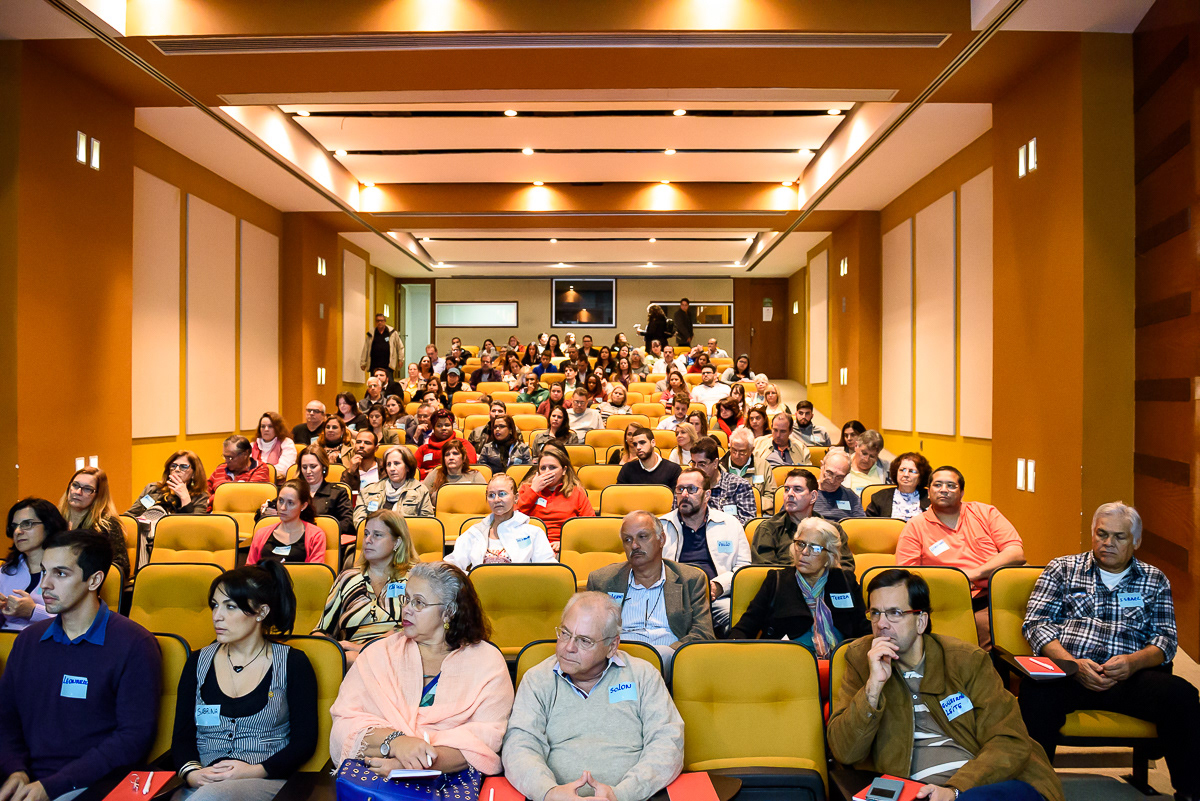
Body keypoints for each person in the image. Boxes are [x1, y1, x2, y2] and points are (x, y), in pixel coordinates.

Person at [827, 569, 1064, 801]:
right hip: (919, 793)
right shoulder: (862, 660)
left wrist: (955, 791)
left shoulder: (965, 660)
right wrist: (873, 688)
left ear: (921, 621)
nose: (881, 624)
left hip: (987, 784)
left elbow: (1008, 740)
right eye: (875, 613)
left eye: (895, 613)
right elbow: (845, 752)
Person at [1018, 502, 1200, 800]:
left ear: (1136, 541)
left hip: (1130, 677)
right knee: (1034, 692)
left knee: (1183, 696)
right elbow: (1036, 625)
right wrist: (1072, 664)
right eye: (1101, 534)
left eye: (1119, 536)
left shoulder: (1154, 579)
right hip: (1070, 673)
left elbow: (1166, 639)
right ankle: (1032, 789)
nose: (1108, 543)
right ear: (1092, 534)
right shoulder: (1062, 569)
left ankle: (1191, 793)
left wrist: (1133, 662)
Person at [0, 530, 162, 801]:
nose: (44, 585)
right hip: (24, 779)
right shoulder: (28, 640)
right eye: (44, 571)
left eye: (60, 574)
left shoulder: (135, 644)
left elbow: (133, 738)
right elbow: (6, 718)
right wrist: (15, 770)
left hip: (89, 784)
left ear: (94, 580)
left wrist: (52, 787)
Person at [328, 562, 514, 777]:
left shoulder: (487, 663)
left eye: (418, 602)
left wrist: (411, 765)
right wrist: (396, 742)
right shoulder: (378, 654)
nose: (406, 609)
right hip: (376, 777)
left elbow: (485, 739)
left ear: (449, 612)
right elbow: (344, 724)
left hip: (451, 782)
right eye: (406, 599)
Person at [502, 592, 684, 801]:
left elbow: (668, 742)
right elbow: (520, 746)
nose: (568, 647)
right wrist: (549, 793)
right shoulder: (537, 680)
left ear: (612, 646)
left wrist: (622, 794)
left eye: (584, 641)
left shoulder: (643, 675)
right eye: (565, 633)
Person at [172, 561, 317, 801]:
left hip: (265, 782)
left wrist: (254, 770)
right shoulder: (198, 662)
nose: (217, 616)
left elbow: (304, 742)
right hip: (202, 784)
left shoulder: (293, 663)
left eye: (230, 607)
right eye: (215, 605)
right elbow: (182, 736)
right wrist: (193, 774)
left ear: (261, 612)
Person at [895, 466, 1024, 649]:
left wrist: (973, 574)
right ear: (928, 492)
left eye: (951, 485)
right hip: (944, 599)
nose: (944, 490)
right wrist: (956, 583)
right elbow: (907, 574)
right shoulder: (915, 526)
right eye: (938, 485)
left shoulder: (985, 513)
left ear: (962, 492)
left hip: (991, 595)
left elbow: (1016, 553)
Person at [585, 512, 714, 666]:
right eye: (627, 539)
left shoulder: (690, 579)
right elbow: (587, 633)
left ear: (662, 539)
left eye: (642, 536)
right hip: (618, 659)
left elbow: (703, 633)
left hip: (669, 660)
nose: (634, 545)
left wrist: (671, 655)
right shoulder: (602, 581)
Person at [731, 518, 871, 657]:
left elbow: (863, 630)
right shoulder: (777, 581)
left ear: (830, 555)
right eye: (801, 544)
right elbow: (746, 627)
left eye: (815, 548)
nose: (804, 552)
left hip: (839, 662)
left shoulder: (844, 581)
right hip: (786, 661)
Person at [315, 510, 415, 663]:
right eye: (366, 534)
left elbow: (421, 627)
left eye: (377, 535)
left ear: (397, 542)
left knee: (353, 659)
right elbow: (322, 630)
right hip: (349, 658)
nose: (368, 540)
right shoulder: (348, 578)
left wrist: (363, 648)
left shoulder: (414, 578)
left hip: (400, 653)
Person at [658, 468, 751, 631]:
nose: (684, 494)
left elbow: (743, 568)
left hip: (716, 598)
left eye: (691, 489)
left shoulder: (729, 524)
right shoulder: (661, 526)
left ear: (707, 495)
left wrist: (719, 586)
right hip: (672, 598)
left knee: (740, 622)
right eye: (680, 489)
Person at [753, 469, 854, 572]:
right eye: (787, 489)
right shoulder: (768, 529)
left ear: (813, 496)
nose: (790, 494)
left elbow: (847, 569)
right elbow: (766, 572)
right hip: (784, 582)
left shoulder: (833, 530)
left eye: (797, 489)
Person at [446, 475, 556, 570]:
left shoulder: (533, 533)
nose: (497, 500)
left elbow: (548, 569)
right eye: (491, 495)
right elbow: (451, 566)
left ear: (516, 498)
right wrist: (470, 578)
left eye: (502, 494)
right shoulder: (475, 533)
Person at [1, 499, 67, 632]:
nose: (18, 531)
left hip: (49, 640)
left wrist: (33, 611)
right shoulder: (5, 571)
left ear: (49, 526)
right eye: (14, 526)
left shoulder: (68, 570)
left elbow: (78, 619)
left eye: (27, 524)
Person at [516, 444, 594, 553]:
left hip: (564, 547)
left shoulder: (577, 493)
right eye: (543, 468)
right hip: (531, 546)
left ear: (564, 470)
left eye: (552, 467)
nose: (547, 471)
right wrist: (534, 490)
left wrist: (565, 542)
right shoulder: (527, 489)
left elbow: (589, 526)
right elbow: (513, 519)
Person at [57, 467, 130, 581]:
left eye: (87, 489)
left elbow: (121, 567)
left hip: (87, 584)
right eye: (75, 485)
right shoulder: (56, 520)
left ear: (99, 495)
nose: (78, 492)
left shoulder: (107, 525)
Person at [246, 480, 327, 566]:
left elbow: (315, 571)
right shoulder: (261, 533)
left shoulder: (316, 536)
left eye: (290, 503)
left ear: (303, 506)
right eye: (280, 501)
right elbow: (249, 569)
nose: (283, 508)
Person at [354, 446, 434, 525]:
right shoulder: (368, 491)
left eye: (397, 463)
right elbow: (359, 522)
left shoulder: (420, 491)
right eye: (388, 464)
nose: (392, 468)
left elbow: (427, 524)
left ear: (407, 467)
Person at [752, 412, 813, 513]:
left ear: (790, 431)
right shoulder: (757, 444)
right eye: (775, 430)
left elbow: (808, 477)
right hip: (766, 496)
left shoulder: (801, 449)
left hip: (795, 497)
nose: (778, 435)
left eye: (783, 431)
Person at [688, 437, 756, 525]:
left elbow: (747, 523)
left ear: (715, 463)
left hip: (728, 533)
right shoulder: (685, 486)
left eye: (702, 464)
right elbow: (676, 520)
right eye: (693, 463)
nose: (696, 469)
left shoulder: (739, 485)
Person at [126, 450, 209, 518]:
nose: (177, 469)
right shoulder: (153, 488)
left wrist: (185, 499)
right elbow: (130, 516)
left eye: (184, 466)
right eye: (173, 465)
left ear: (194, 473)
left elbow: (194, 527)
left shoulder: (200, 497)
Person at [208, 435, 272, 510]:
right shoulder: (221, 468)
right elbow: (205, 489)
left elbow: (243, 497)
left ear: (245, 454)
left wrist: (211, 500)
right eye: (225, 457)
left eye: (230, 458)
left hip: (244, 513)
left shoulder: (260, 469)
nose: (226, 461)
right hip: (215, 512)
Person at [867, 452, 932, 521]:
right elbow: (870, 524)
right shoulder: (879, 497)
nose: (906, 475)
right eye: (902, 470)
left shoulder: (930, 498)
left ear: (921, 476)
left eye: (912, 471)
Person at [414, 409, 477, 480]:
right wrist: (428, 473)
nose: (443, 428)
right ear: (433, 428)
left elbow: (469, 467)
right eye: (439, 426)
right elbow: (413, 470)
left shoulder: (463, 444)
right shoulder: (423, 449)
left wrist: (438, 472)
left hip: (458, 481)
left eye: (447, 425)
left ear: (452, 427)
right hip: (428, 482)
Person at [422, 440, 487, 506]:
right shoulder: (435, 474)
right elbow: (421, 498)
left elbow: (485, 499)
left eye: (455, 453)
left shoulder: (475, 475)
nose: (451, 458)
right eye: (447, 455)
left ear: (464, 458)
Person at [616, 427, 681, 490]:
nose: (638, 447)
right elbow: (619, 494)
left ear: (653, 443)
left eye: (642, 443)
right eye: (635, 444)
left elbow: (677, 496)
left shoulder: (673, 470)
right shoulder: (627, 469)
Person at [811, 450, 866, 523]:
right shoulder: (807, 493)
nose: (832, 481)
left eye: (839, 477)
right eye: (829, 473)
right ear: (822, 466)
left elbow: (860, 524)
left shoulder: (851, 496)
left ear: (846, 475)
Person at [360, 312, 405, 383]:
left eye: (381, 320)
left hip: (388, 365)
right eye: (378, 321)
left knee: (389, 384)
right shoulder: (371, 334)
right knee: (374, 383)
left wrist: (401, 359)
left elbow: (400, 347)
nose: (380, 322)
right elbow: (366, 349)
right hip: (374, 365)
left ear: (385, 321)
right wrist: (363, 362)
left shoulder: (392, 333)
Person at [252, 412, 297, 480]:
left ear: (277, 428)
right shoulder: (252, 445)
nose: (266, 429)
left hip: (277, 484)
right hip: (253, 482)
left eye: (270, 426)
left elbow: (283, 469)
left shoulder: (287, 443)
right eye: (263, 426)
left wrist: (258, 473)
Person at [845, 429, 890, 495]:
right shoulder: (843, 466)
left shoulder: (887, 469)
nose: (866, 459)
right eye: (864, 453)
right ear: (856, 446)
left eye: (872, 456)